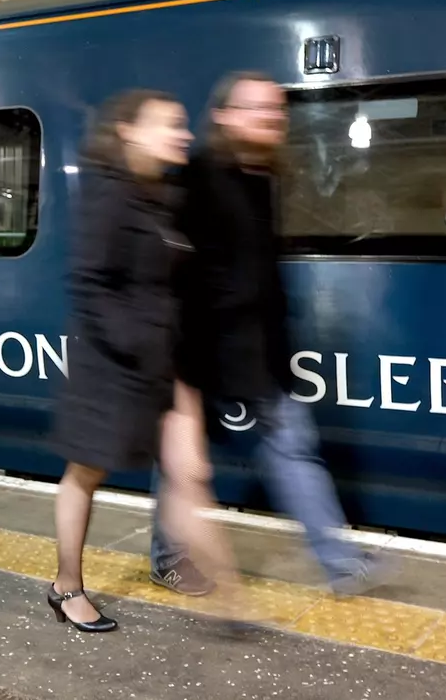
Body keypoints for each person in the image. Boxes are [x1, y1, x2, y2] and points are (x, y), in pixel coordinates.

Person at [150, 71, 394, 599]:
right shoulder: (195, 182)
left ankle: (339, 560)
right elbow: (177, 285)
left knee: (288, 450)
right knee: (184, 463)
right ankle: (170, 557)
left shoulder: (260, 177)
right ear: (224, 116)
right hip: (204, 358)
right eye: (256, 109)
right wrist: (182, 379)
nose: (270, 119)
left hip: (257, 355)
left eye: (276, 111)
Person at [48, 89, 246, 633]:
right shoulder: (109, 196)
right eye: (169, 124)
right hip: (113, 365)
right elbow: (89, 284)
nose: (182, 134)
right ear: (129, 131)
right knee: (86, 473)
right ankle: (67, 587)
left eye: (184, 125)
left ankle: (229, 598)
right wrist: (135, 345)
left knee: (189, 472)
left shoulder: (159, 193)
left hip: (167, 361)